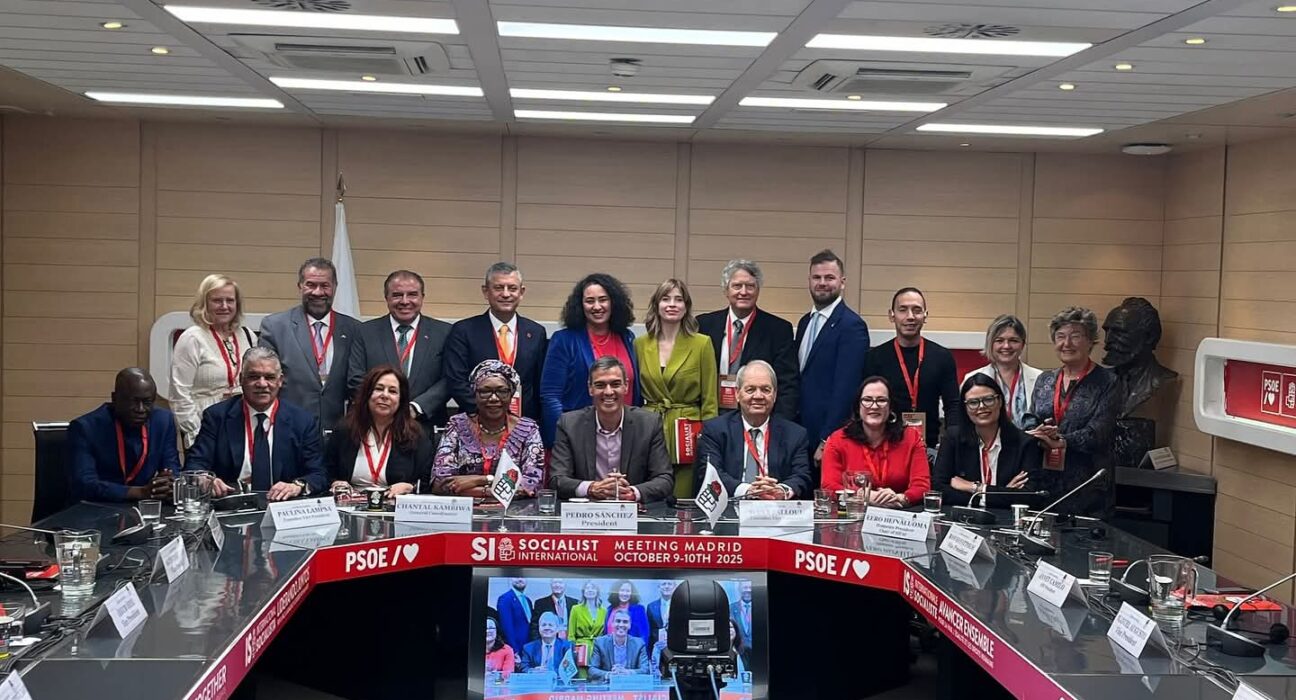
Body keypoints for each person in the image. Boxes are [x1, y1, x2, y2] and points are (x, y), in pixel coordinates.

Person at [184, 347, 327, 500]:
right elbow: (194, 466)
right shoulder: (217, 417)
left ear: (280, 381)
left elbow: (319, 474)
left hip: (283, 505)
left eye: (269, 377)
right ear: (241, 379)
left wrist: (297, 486)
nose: (262, 384)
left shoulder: (302, 421)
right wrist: (205, 480)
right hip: (232, 505)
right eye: (253, 377)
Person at [1028, 307, 1119, 517]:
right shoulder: (1045, 380)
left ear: (1091, 341)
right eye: (1060, 336)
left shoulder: (1108, 382)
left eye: (1075, 336)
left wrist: (1061, 441)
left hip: (1088, 487)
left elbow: (1099, 432)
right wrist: (1038, 432)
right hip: (1044, 485)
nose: (1067, 343)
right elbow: (1030, 418)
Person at [634, 279, 719, 497]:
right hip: (650, 427)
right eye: (666, 299)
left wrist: (709, 441)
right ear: (656, 305)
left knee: (683, 498)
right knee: (649, 495)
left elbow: (710, 400)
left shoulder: (701, 343)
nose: (672, 304)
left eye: (678, 300)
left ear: (686, 307)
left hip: (688, 432)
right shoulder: (640, 344)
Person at [258, 258, 361, 433]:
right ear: (300, 286)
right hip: (289, 428)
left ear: (335, 287)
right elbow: (267, 381)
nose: (318, 292)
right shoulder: (275, 326)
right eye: (311, 285)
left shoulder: (354, 329)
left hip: (339, 432)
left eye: (325, 285)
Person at [549, 358, 673, 502]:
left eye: (615, 384)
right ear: (590, 389)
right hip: (587, 510)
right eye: (600, 385)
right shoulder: (569, 424)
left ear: (626, 386)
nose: (608, 392)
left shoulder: (649, 424)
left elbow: (664, 479)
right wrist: (591, 488)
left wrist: (632, 493)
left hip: (633, 511)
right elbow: (557, 479)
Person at [540, 273, 639, 446]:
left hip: (625, 437)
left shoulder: (627, 337)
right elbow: (550, 396)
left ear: (613, 302)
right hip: (579, 438)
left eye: (603, 299)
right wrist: (565, 439)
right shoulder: (564, 340)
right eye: (590, 301)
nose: (597, 306)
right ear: (580, 305)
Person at [444, 262, 549, 422]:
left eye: (512, 288)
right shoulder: (464, 331)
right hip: (476, 421)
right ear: (486, 292)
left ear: (521, 292)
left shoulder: (536, 332)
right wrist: (485, 412)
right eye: (499, 288)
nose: (506, 294)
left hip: (522, 423)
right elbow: (456, 380)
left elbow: (539, 383)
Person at [347, 270, 452, 429]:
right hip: (375, 425)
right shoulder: (364, 332)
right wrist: (386, 407)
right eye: (397, 295)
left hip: (426, 426)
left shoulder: (444, 333)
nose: (405, 301)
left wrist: (415, 408)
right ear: (386, 298)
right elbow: (355, 378)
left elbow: (449, 379)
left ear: (422, 297)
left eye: (412, 294)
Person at [694, 360, 811, 499]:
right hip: (731, 506)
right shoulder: (715, 430)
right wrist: (748, 491)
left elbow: (802, 475)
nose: (758, 396)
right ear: (737, 393)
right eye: (750, 390)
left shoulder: (795, 434)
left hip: (776, 507)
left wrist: (781, 490)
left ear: (774, 395)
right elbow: (710, 473)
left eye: (765, 390)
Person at [696, 260, 798, 419]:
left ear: (758, 290)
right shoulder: (704, 325)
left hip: (757, 418)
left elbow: (787, 385)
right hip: (712, 416)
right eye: (737, 286)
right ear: (726, 290)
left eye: (750, 286)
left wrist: (779, 426)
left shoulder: (778, 330)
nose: (743, 292)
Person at [795, 250, 870, 464]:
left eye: (829, 278)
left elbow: (846, 390)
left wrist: (827, 439)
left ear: (842, 282)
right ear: (809, 281)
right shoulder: (804, 322)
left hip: (826, 438)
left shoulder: (852, 326)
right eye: (816, 277)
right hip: (799, 434)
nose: (822, 283)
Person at [863, 287, 958, 450]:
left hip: (928, 448)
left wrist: (951, 446)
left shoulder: (942, 357)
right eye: (903, 310)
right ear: (891, 315)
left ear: (925, 316)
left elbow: (953, 405)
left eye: (917, 310)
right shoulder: (874, 358)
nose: (910, 317)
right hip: (885, 446)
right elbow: (865, 405)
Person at [432, 360, 544, 497]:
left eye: (502, 391)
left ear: (511, 394)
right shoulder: (456, 425)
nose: (493, 398)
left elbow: (531, 486)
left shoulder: (528, 430)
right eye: (485, 391)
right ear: (475, 394)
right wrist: (494, 485)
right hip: (462, 508)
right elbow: (440, 483)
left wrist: (478, 481)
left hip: (514, 509)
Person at [170, 274, 257, 448]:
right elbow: (179, 395)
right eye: (217, 300)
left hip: (242, 426)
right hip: (205, 427)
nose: (224, 306)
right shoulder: (192, 338)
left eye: (230, 300)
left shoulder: (247, 335)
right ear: (205, 303)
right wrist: (196, 433)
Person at [68, 368, 179, 502]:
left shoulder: (163, 421)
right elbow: (84, 485)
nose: (140, 409)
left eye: (147, 402)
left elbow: (172, 468)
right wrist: (139, 492)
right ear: (115, 399)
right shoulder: (86, 428)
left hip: (145, 506)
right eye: (134, 401)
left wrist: (168, 483)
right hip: (98, 506)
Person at [932, 374, 1043, 506]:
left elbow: (1029, 496)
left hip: (1008, 518)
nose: (981, 406)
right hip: (963, 516)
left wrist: (976, 488)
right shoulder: (953, 438)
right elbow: (938, 489)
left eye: (988, 399)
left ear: (1000, 401)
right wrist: (1003, 493)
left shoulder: (1025, 443)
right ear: (965, 408)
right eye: (973, 403)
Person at [820, 376, 931, 508]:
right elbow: (829, 486)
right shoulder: (837, 440)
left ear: (890, 407)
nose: (874, 406)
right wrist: (864, 496)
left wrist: (901, 498)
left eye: (881, 400)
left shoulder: (912, 438)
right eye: (867, 400)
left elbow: (922, 486)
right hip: (854, 511)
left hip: (899, 514)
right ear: (858, 407)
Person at [324, 365, 433, 498]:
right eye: (379, 389)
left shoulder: (416, 435)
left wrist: (411, 487)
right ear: (367, 394)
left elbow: (427, 481)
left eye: (392, 391)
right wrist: (336, 483)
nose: (385, 395)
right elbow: (326, 471)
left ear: (401, 399)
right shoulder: (345, 430)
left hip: (396, 504)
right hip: (351, 503)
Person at [962, 314, 1041, 429]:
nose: (1006, 346)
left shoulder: (1040, 378)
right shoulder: (971, 378)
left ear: (1023, 344)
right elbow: (964, 420)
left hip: (1030, 440)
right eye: (999, 340)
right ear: (990, 344)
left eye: (1013, 340)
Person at [588, 608, 651, 680]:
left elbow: (645, 669)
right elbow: (592, 670)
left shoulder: (639, 644)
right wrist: (609, 675)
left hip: (630, 684)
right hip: (607, 684)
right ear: (612, 623)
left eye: (625, 622)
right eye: (618, 621)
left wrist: (627, 672)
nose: (621, 625)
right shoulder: (600, 643)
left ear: (630, 625)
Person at [569, 581, 608, 676]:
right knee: (582, 677)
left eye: (593, 588)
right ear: (583, 592)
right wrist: (573, 652)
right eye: (587, 588)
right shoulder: (575, 609)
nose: (590, 590)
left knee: (597, 676)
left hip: (598, 648)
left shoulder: (604, 610)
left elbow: (605, 634)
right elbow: (571, 634)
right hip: (581, 649)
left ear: (597, 591)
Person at [605, 580, 651, 647]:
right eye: (622, 590)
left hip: (632, 650)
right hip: (609, 650)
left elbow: (644, 635)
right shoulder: (610, 609)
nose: (625, 594)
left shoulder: (639, 610)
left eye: (628, 591)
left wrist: (639, 650)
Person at [496, 578, 534, 650]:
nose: (520, 579)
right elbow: (506, 627)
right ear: (511, 579)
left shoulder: (528, 600)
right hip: (515, 647)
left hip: (528, 647)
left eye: (523, 577)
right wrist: (514, 650)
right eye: (516, 577)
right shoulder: (505, 599)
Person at [646, 580, 676, 650]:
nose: (666, 586)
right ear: (659, 587)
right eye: (664, 584)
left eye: (669, 584)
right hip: (657, 647)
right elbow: (650, 630)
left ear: (674, 587)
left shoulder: (681, 605)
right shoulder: (651, 606)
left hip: (675, 647)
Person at [729, 580, 754, 649]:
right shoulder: (730, 608)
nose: (748, 590)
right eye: (745, 587)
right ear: (739, 589)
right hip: (737, 649)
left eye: (750, 587)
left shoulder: (761, 607)